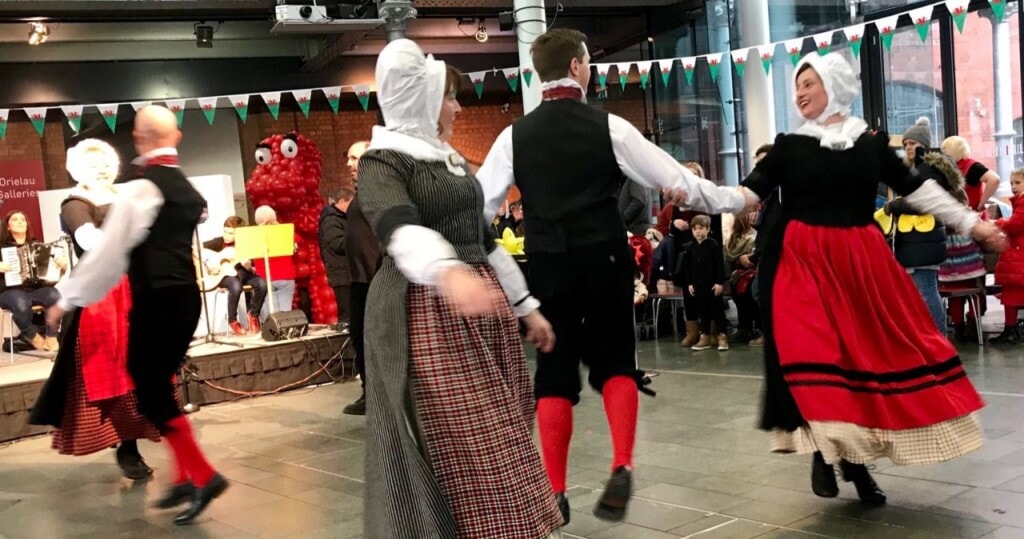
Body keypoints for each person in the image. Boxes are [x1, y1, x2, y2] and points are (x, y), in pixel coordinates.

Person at [476, 28, 746, 521]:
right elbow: (677, 181)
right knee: (616, 362)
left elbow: (477, 209)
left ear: (540, 74)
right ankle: (621, 463)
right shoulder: (611, 128)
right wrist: (735, 198)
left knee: (554, 375)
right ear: (579, 67)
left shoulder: (512, 137)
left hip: (549, 264)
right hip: (604, 258)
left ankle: (554, 490)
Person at [738, 52, 1004, 505]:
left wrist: (971, 223)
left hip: (861, 263)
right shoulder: (789, 145)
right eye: (796, 85)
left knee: (864, 358)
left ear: (834, 86)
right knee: (814, 352)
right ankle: (825, 452)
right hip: (802, 263)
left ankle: (856, 465)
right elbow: (747, 192)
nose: (799, 92)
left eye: (809, 83)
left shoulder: (870, 143)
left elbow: (921, 190)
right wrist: (695, 191)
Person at [358, 39, 563, 538]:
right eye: (447, 96)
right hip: (427, 314)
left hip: (477, 309)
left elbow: (484, 239)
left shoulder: (445, 159)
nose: (455, 106)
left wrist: (526, 306)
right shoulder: (383, 160)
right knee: (467, 440)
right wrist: (448, 272)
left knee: (506, 428)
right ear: (422, 99)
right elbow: (398, 227)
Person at [46, 105, 227, 525]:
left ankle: (202, 475)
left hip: (157, 301)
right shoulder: (183, 187)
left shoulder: (141, 190)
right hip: (185, 296)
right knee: (156, 385)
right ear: (177, 137)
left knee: (150, 391)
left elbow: (108, 254)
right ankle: (185, 477)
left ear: (139, 141)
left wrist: (66, 298)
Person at [29, 138, 158, 480]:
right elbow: (90, 241)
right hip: (103, 296)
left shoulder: (125, 196)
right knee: (113, 373)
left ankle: (132, 441)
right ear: (80, 170)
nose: (101, 169)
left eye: (105, 162)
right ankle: (125, 446)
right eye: (93, 164)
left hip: (137, 290)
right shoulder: (75, 202)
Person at [344, 141, 378, 416]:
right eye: (348, 158)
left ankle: (377, 396)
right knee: (359, 336)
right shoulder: (361, 193)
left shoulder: (378, 191)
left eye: (355, 158)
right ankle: (370, 393)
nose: (348, 164)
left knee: (373, 339)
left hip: (374, 279)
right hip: (360, 279)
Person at [0, 211, 66, 351]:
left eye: (22, 219)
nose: (19, 221)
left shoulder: (38, 246)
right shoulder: (2, 247)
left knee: (55, 295)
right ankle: (32, 336)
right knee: (20, 302)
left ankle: (52, 336)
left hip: (34, 290)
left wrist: (61, 267)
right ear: (7, 226)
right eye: (15, 219)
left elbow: (49, 280)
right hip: (8, 291)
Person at [201, 216, 267, 335]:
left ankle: (253, 315)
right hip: (225, 277)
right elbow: (196, 250)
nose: (226, 235)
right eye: (225, 231)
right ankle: (233, 320)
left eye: (230, 233)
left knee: (262, 284)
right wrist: (209, 264)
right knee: (236, 285)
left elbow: (250, 269)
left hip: (243, 275)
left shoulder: (245, 245)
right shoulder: (218, 242)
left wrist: (248, 266)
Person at [678, 215, 728, 351]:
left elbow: (719, 265)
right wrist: (689, 283)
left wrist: (719, 282)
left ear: (708, 229)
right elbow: (688, 267)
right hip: (698, 285)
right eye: (695, 229)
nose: (698, 232)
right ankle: (704, 335)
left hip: (713, 285)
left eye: (701, 228)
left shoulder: (714, 245)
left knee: (717, 310)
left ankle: (722, 336)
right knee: (703, 311)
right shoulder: (691, 247)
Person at [991, 168, 1024, 344]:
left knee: (1011, 294)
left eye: (1018, 183)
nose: (1013, 186)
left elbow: (1015, 224)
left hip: (1018, 255)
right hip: (1018, 253)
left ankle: (1010, 329)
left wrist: (996, 222)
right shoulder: (1019, 202)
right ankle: (1011, 328)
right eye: (1011, 183)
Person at [318, 188, 354, 324]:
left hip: (347, 271)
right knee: (346, 313)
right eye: (351, 203)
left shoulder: (341, 218)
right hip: (341, 273)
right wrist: (358, 238)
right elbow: (337, 244)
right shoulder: (331, 220)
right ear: (342, 202)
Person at [252, 205, 296, 314]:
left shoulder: (254, 235)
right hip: (285, 275)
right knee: (286, 314)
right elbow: (296, 245)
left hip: (265, 277)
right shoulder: (284, 231)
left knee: (273, 316)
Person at [941, 136, 1002, 215]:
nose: (942, 155)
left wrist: (981, 203)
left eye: (944, 151)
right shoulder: (952, 167)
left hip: (972, 216)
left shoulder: (973, 166)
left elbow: (994, 179)